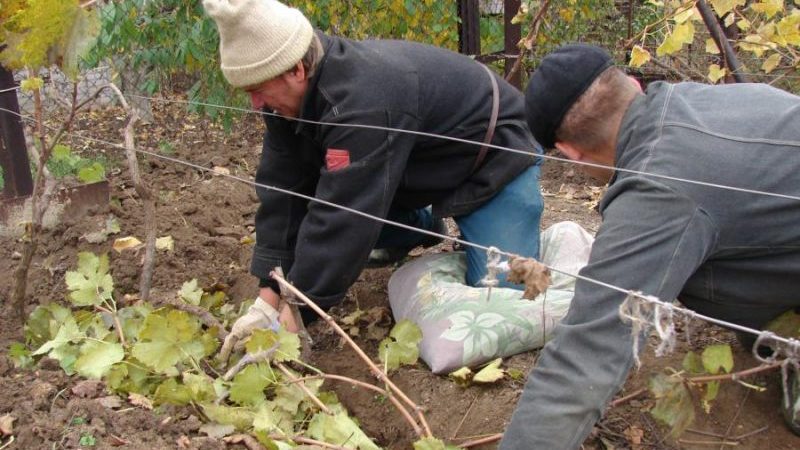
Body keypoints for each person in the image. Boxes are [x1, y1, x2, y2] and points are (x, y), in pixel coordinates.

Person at [500, 44, 800, 449]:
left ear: (570, 152)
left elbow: (584, 359)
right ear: (636, 85)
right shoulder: (704, 100)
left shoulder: (659, 189)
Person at [202, 0, 544, 347]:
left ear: (296, 70)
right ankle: (418, 225)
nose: (255, 104)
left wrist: (293, 319)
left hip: (492, 159)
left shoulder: (363, 100)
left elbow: (344, 216)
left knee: (504, 295)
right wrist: (268, 299)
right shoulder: (287, 100)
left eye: (257, 91)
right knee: (325, 217)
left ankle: (450, 221)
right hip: (411, 167)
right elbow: (284, 192)